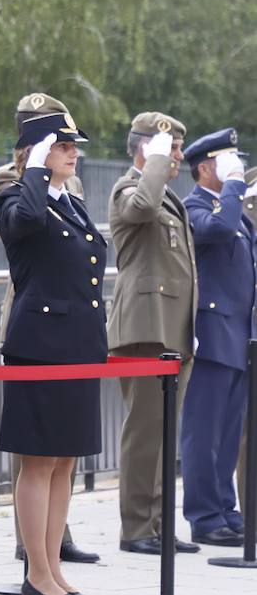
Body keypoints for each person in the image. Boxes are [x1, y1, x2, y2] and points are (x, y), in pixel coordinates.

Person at [0, 110, 104, 595]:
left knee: (64, 461)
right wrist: (36, 171)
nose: (73, 151)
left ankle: (55, 568)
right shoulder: (19, 196)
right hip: (40, 345)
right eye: (62, 145)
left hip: (76, 345)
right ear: (36, 151)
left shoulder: (71, 202)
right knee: (38, 463)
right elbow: (25, 225)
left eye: (72, 146)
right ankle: (36, 573)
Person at [109, 112, 201, 555]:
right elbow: (142, 208)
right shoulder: (131, 188)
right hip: (144, 330)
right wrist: (156, 164)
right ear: (148, 148)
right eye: (172, 149)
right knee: (145, 431)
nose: (178, 157)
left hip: (173, 330)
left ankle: (160, 524)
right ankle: (137, 527)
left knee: (166, 432)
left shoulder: (166, 195)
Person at [179, 128, 255, 547]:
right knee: (203, 432)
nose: (236, 169)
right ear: (206, 167)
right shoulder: (193, 208)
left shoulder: (233, 211)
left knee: (228, 433)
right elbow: (220, 230)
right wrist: (234, 186)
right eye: (227, 163)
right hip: (211, 333)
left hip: (239, 333)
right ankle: (205, 515)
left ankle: (226, 508)